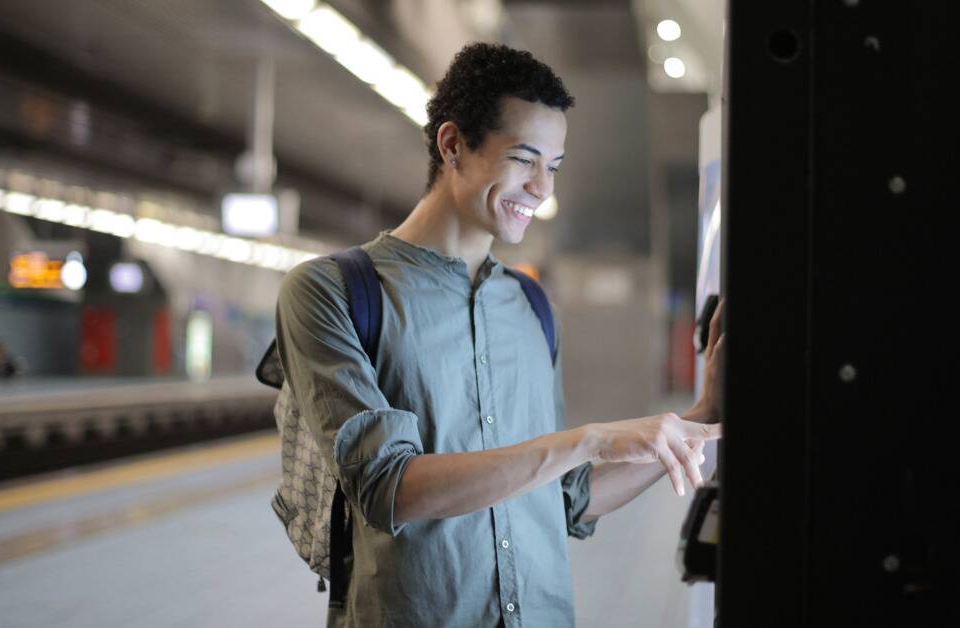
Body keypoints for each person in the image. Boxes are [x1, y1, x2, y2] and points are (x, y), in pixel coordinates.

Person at [275, 42, 725, 628]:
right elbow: (391, 488)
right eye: (523, 158)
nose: (542, 188)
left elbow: (567, 501)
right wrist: (588, 440)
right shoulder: (333, 291)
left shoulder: (531, 305)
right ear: (452, 144)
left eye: (554, 167)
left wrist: (702, 413)